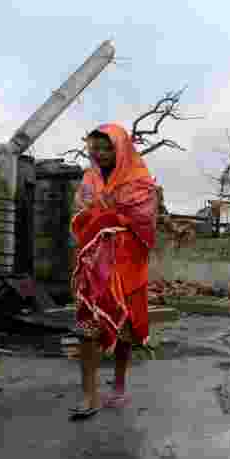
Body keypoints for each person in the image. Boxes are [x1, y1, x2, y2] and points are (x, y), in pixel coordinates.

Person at [69, 124, 160, 420]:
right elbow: (81, 213)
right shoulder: (89, 179)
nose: (100, 153)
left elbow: (144, 221)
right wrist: (101, 214)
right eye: (95, 148)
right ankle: (89, 396)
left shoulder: (139, 181)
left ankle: (119, 385)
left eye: (107, 147)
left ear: (120, 148)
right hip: (94, 263)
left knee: (124, 329)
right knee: (87, 328)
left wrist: (110, 214)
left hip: (126, 263)